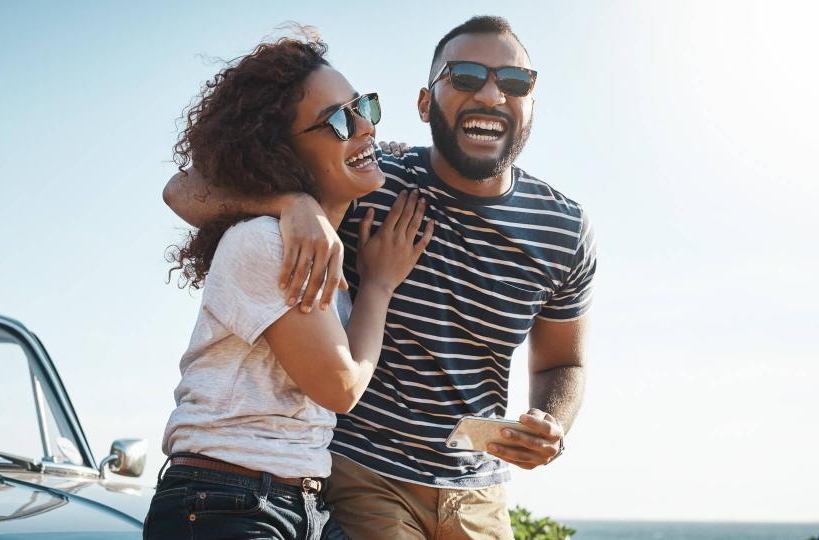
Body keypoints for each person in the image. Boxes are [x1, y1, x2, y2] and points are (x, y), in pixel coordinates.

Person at [163, 16, 596, 540]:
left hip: (478, 487)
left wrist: (552, 423)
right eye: (463, 76)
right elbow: (186, 190)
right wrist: (292, 202)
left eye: (513, 82)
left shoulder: (564, 229)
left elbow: (563, 361)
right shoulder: (372, 176)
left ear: (531, 102)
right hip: (359, 474)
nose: (490, 94)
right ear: (424, 102)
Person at [146, 32, 434, 540]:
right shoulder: (267, 242)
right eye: (340, 121)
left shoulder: (318, 241)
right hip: (225, 502)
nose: (364, 126)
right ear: (283, 153)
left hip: (294, 501)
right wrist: (381, 285)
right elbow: (340, 387)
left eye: (364, 105)